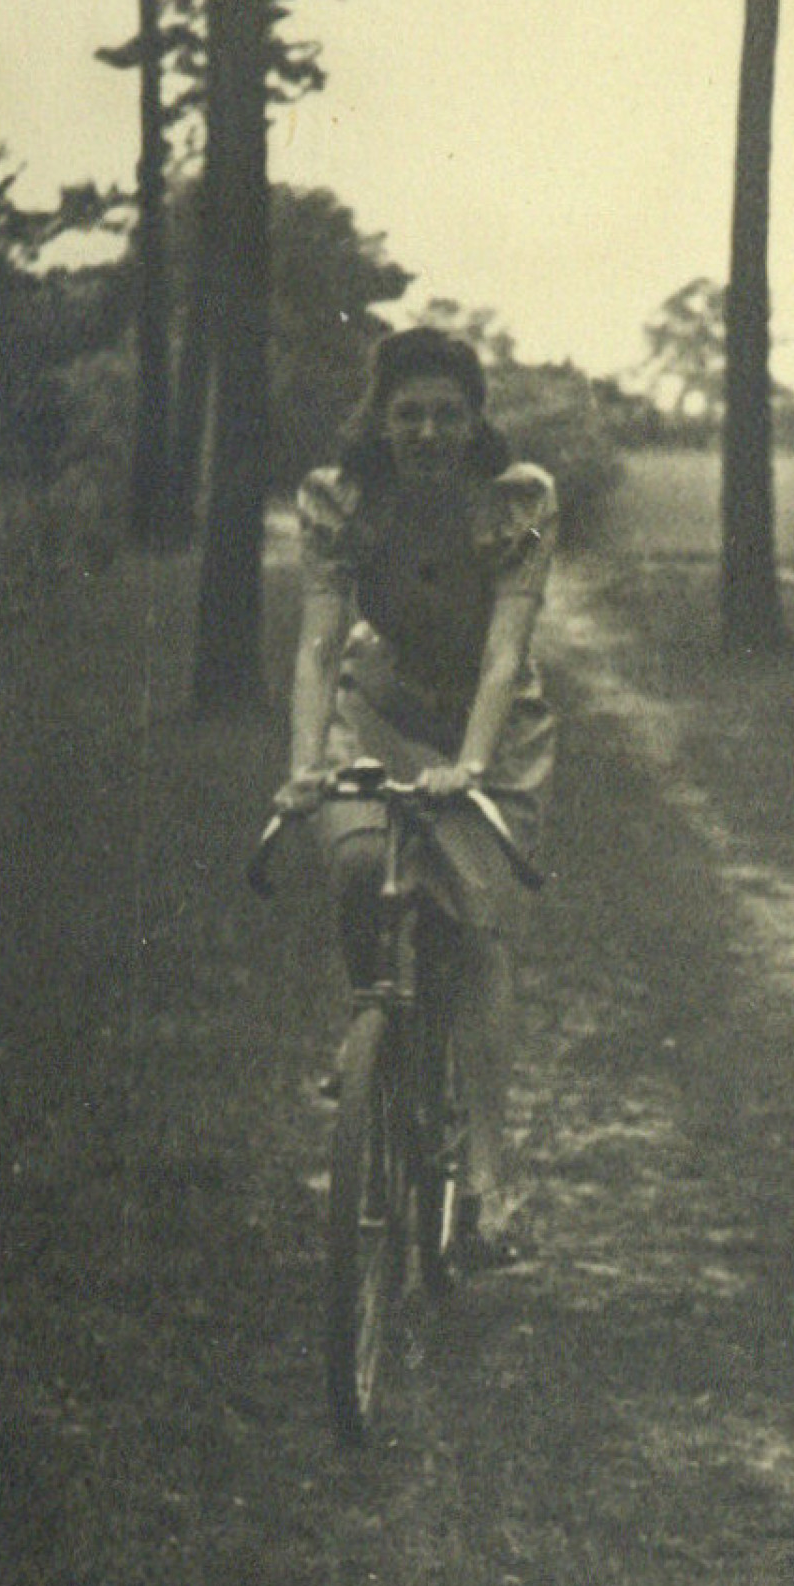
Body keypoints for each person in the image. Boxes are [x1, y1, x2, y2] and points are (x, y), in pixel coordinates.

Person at [278, 324, 556, 1266]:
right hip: (384, 708)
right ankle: (372, 1038)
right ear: (381, 421)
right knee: (359, 861)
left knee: (475, 932)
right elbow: (320, 647)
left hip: (491, 729)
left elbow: (505, 653)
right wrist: (304, 763)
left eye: (447, 414)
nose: (428, 432)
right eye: (409, 415)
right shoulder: (343, 500)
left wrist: (469, 766)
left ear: (475, 421)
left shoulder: (514, 505)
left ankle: (487, 1177)